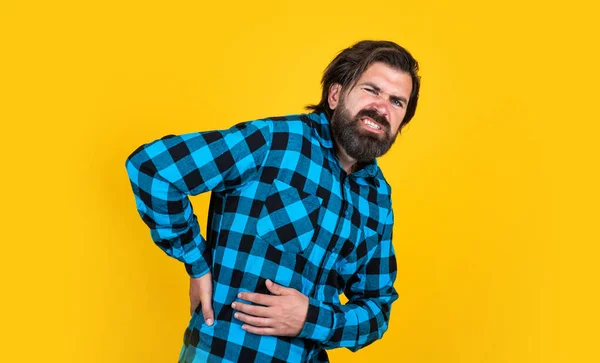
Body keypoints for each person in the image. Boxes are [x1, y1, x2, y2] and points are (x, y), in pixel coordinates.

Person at [125, 40, 420, 362]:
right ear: (335, 95)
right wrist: (197, 264)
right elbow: (154, 169)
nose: (382, 108)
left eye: (397, 101)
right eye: (371, 90)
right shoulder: (276, 142)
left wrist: (311, 319)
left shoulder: (378, 197)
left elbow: (377, 308)